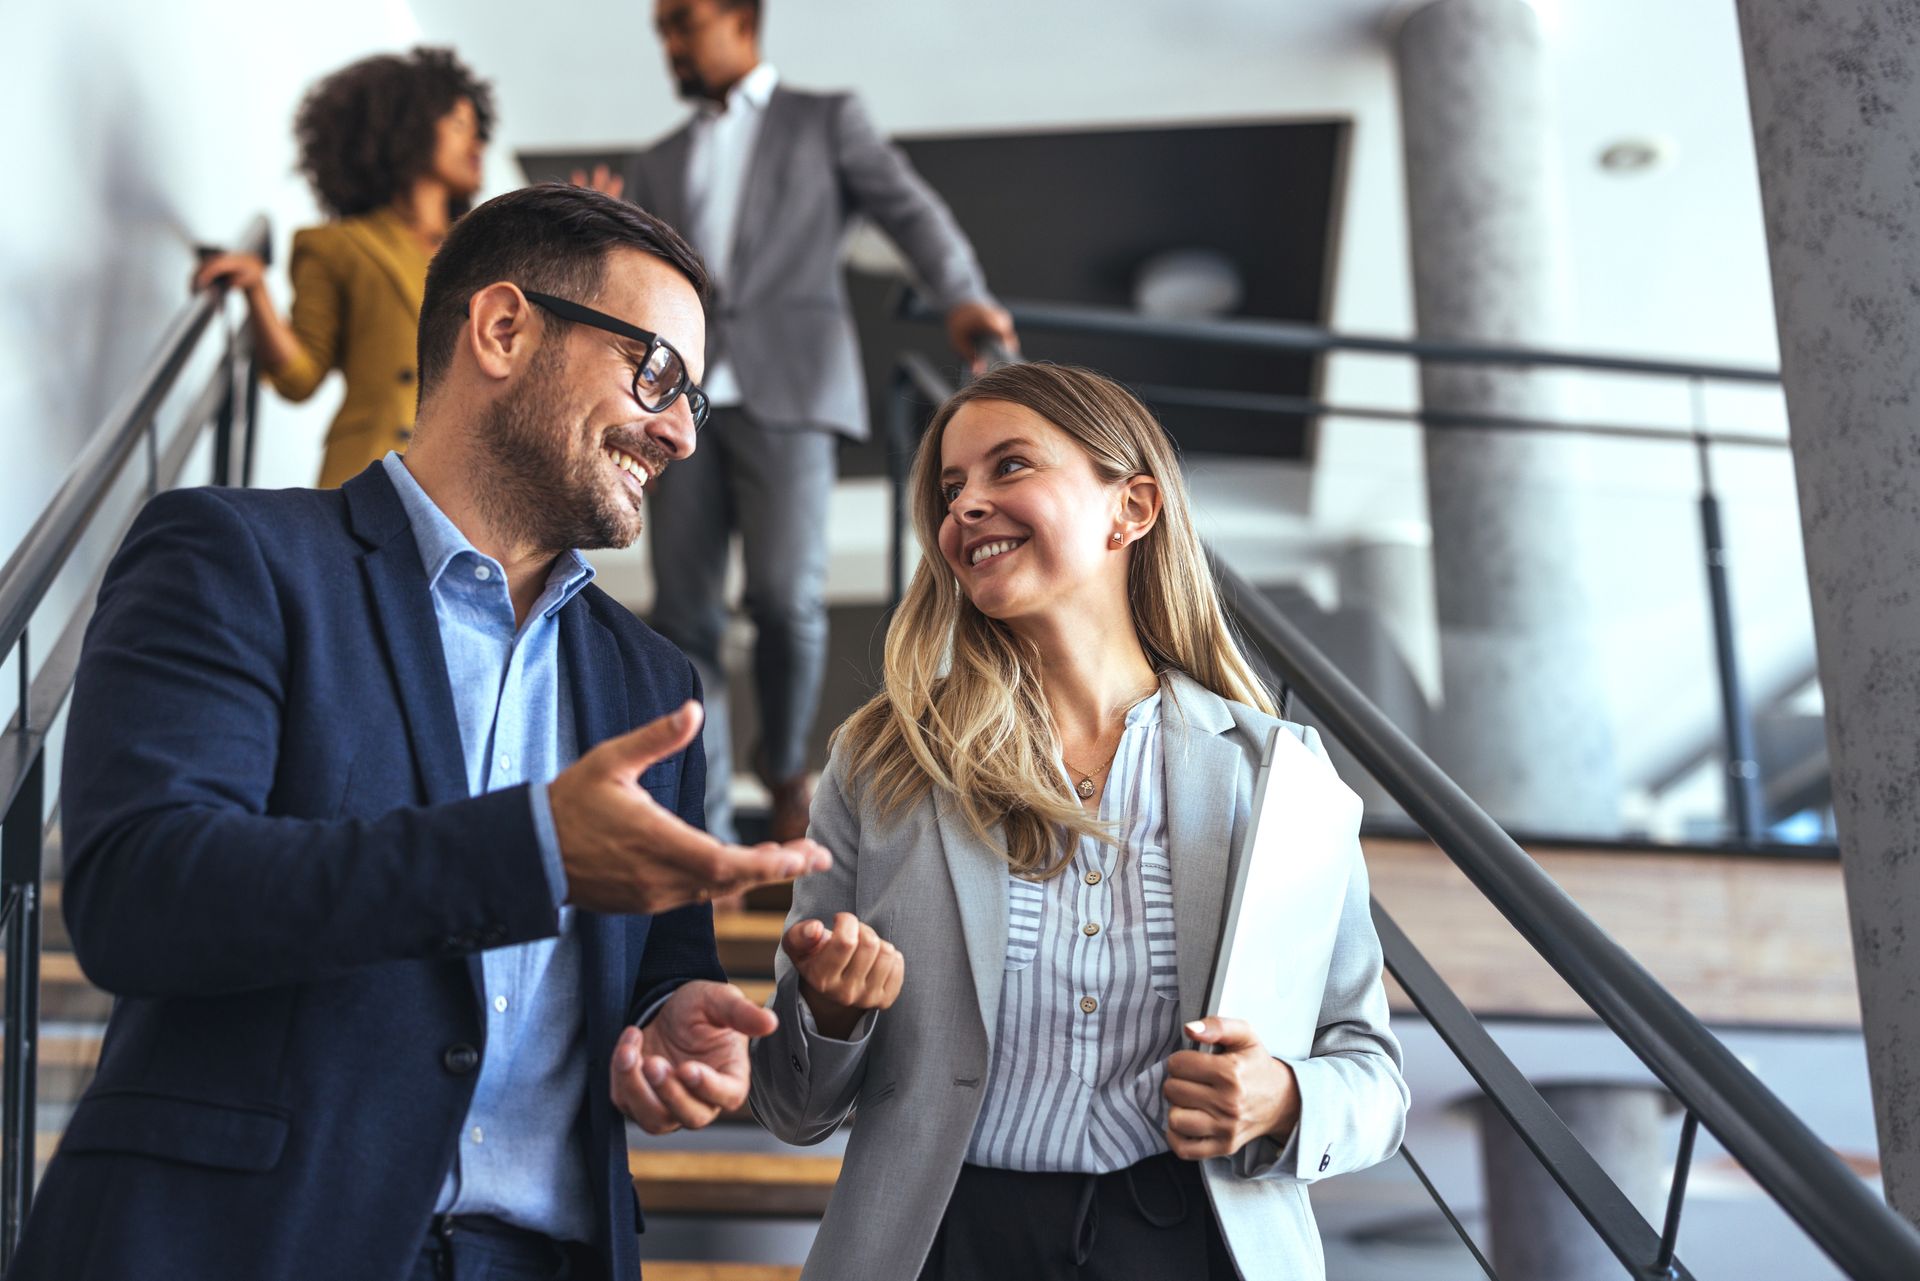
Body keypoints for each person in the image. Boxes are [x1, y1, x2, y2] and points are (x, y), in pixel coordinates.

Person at [9, 184, 832, 1281]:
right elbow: (139, 892)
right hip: (250, 1247)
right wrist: (528, 850)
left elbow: (657, 968)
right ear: (502, 329)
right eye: (657, 373)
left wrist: (675, 1022)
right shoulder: (234, 556)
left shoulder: (651, 680)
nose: (680, 433)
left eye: (695, 400)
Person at [747, 363, 1409, 1280]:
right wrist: (829, 1010)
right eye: (950, 489)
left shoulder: (1277, 773)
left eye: (1009, 467)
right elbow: (791, 1105)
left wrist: (1285, 1097)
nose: (966, 506)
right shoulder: (881, 760)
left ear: (1131, 508)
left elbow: (1371, 1070)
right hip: (945, 1244)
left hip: (1197, 1245)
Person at [584, 0, 1019, 845]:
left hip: (793, 387)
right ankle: (701, 815)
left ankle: (785, 769)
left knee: (786, 598)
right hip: (682, 398)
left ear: (742, 19)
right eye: (663, 29)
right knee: (685, 615)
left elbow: (910, 211)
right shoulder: (658, 158)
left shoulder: (826, 120)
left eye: (684, 22)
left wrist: (963, 297)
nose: (671, 41)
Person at [195, 47, 492, 488]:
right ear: (408, 130)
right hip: (366, 474)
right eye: (460, 125)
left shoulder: (487, 250)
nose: (476, 145)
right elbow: (300, 377)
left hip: (469, 483)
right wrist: (258, 291)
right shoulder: (335, 247)